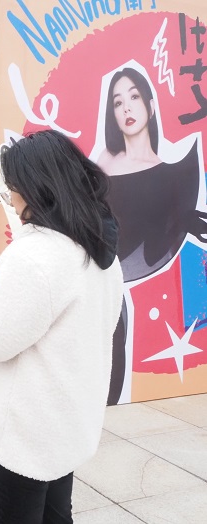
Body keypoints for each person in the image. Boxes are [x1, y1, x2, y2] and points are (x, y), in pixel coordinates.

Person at [0, 130, 123, 524]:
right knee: (57, 516)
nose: (10, 195)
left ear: (34, 187)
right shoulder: (98, 248)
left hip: (20, 434)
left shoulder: (38, 255)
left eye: (13, 185)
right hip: (62, 424)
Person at [94, 66, 205, 404]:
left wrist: (185, 220)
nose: (126, 107)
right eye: (117, 102)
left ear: (151, 106)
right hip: (92, 275)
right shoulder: (105, 162)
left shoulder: (171, 176)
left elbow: (155, 246)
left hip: (116, 286)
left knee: (115, 333)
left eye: (134, 97)